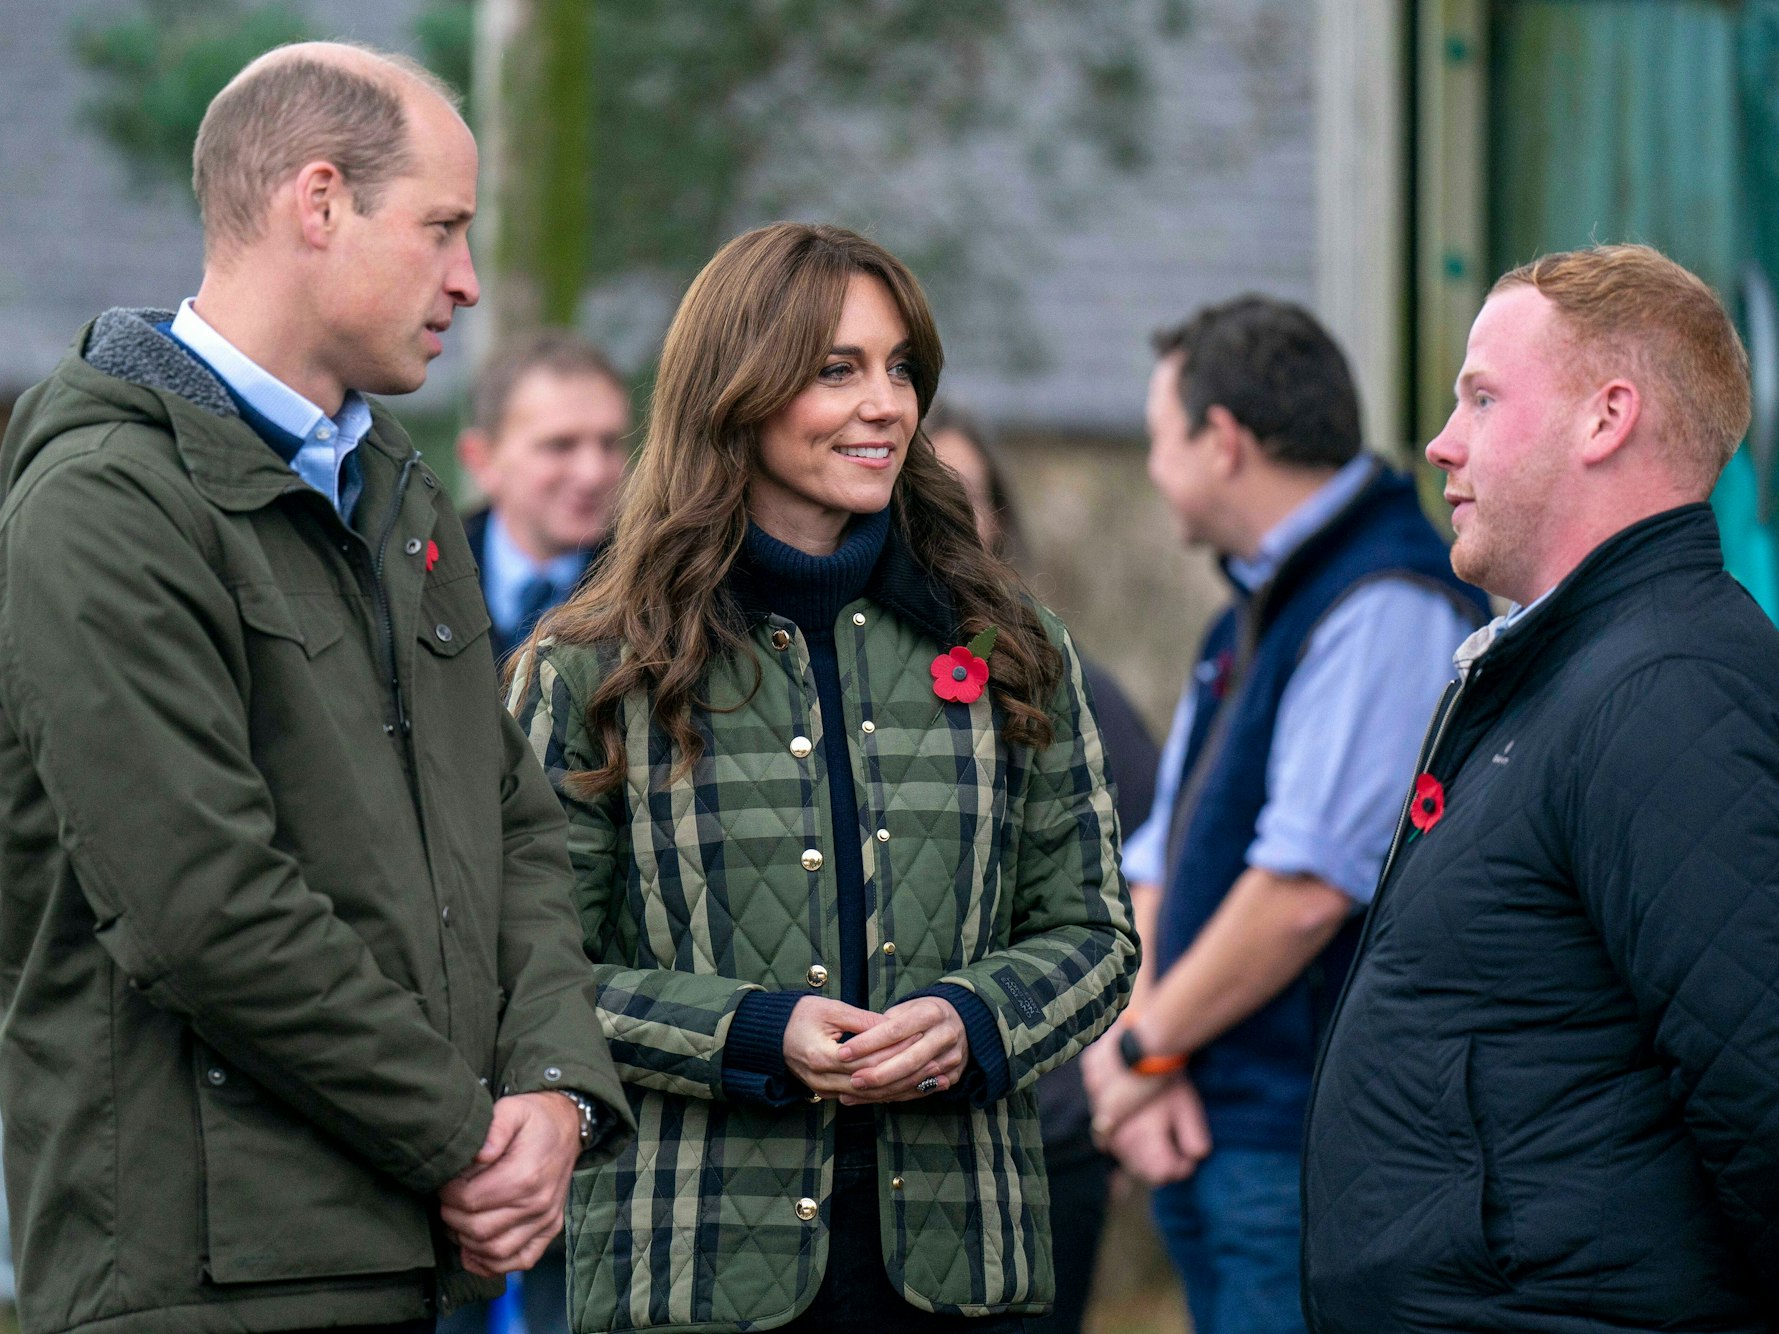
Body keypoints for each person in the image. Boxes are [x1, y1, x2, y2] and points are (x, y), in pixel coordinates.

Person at [0, 42, 629, 1334]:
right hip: (200, 1277)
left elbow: (511, 827)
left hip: (399, 1246)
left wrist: (555, 1093)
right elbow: (199, 903)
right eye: (442, 227)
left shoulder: (395, 492)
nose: (464, 278)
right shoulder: (103, 506)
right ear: (319, 200)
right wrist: (466, 1133)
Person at [506, 221, 1138, 1333]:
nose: (885, 403)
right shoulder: (592, 667)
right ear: (738, 393)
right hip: (687, 1269)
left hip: (962, 1268)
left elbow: (1095, 931)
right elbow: (525, 973)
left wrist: (972, 1017)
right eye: (836, 370)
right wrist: (752, 1031)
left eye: (901, 369)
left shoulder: (1010, 643)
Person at [1302, 245, 1779, 1330]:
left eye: (1481, 397)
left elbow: (1760, 1085)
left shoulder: (1669, 689)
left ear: (1606, 418)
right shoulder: (1567, 666)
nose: (1441, 442)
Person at [1080, 296, 1487, 1334]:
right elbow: (1161, 857)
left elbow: (1304, 892)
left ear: (1222, 442)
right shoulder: (1251, 608)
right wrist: (1151, 1046)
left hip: (1301, 1142)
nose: (1153, 465)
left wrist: (1138, 1055)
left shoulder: (1383, 601)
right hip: (1212, 1119)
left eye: (1160, 438)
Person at [926, 401, 1158, 1334]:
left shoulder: (1064, 684)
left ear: (1000, 524)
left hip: (1039, 1133)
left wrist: (1123, 1058)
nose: (939, 520)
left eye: (964, 499)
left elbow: (1147, 868)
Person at [457, 331, 632, 663]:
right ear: (481, 460)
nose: (592, 473)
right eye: (560, 445)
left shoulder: (658, 590)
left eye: (609, 443)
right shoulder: (422, 581)